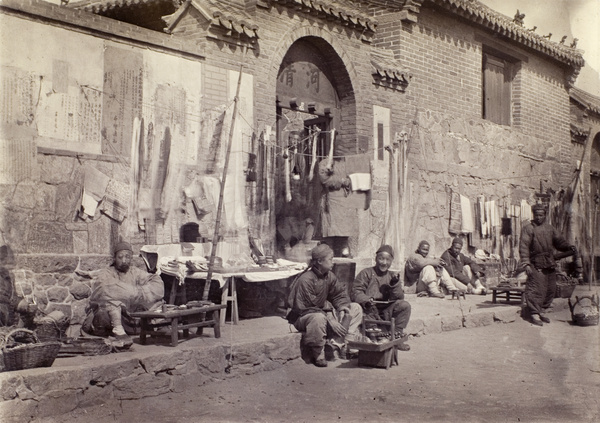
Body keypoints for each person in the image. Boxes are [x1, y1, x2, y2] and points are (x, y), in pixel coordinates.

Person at [286, 243, 364, 367]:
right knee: (318, 318)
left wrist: (342, 306)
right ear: (320, 261)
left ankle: (341, 345)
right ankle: (318, 354)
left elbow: (338, 294)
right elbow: (307, 308)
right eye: (330, 259)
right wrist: (329, 317)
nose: (332, 262)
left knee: (355, 308)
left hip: (322, 313)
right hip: (304, 317)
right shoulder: (306, 280)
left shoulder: (329, 276)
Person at [83, 242, 164, 343]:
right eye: (120, 257)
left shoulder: (135, 272)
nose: (124, 261)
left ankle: (159, 325)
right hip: (110, 317)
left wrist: (134, 293)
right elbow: (106, 289)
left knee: (157, 301)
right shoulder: (106, 273)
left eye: (127, 257)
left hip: (129, 317)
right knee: (110, 303)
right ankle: (118, 331)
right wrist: (139, 293)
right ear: (114, 258)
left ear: (131, 258)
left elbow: (157, 283)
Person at [519, 204, 575, 326]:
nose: (538, 217)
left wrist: (568, 247)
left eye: (541, 215)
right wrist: (526, 264)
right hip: (535, 262)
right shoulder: (528, 229)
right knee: (536, 287)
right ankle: (534, 312)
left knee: (550, 288)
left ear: (545, 215)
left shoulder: (550, 228)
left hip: (549, 262)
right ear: (533, 215)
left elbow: (559, 242)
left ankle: (542, 310)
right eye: (536, 215)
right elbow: (524, 247)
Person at [352, 245, 411, 351]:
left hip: (385, 310)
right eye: (381, 258)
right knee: (371, 323)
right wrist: (366, 300)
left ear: (392, 261)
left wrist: (394, 284)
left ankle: (396, 338)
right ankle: (376, 338)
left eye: (388, 260)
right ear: (376, 259)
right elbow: (356, 291)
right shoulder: (366, 273)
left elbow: (399, 297)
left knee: (404, 306)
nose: (384, 262)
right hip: (369, 309)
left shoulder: (392, 276)